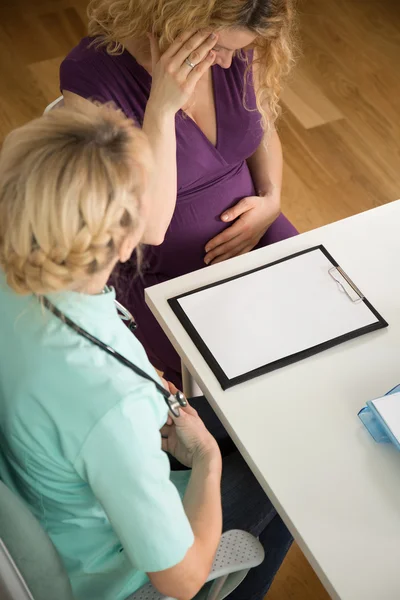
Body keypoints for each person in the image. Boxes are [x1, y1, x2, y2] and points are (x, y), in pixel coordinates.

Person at [0, 105, 292, 600]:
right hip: (110, 572)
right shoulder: (116, 404)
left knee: (256, 422)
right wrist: (205, 462)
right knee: (285, 465)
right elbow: (179, 580)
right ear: (123, 239)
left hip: (44, 485)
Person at [60, 0, 298, 388]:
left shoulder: (235, 48)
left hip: (258, 234)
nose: (226, 62)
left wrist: (272, 199)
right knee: (235, 381)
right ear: (180, 16)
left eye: (236, 51)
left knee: (321, 328)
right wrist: (161, 107)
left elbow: (261, 123)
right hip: (158, 270)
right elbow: (147, 226)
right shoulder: (90, 77)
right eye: (219, 47)